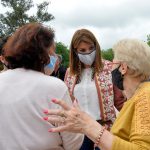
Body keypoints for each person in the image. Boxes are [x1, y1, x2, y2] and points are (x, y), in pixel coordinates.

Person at [44, 39, 150, 150]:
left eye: (113, 63)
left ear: (123, 68)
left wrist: (88, 126)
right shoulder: (138, 96)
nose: (110, 68)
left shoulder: (145, 97)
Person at [0, 23, 83, 150]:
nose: (55, 57)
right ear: (43, 53)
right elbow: (73, 142)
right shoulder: (55, 87)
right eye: (53, 51)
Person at [63, 29, 125, 149]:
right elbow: (69, 102)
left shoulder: (109, 68)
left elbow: (120, 101)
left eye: (91, 48)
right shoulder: (70, 73)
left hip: (105, 129)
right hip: (80, 131)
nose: (88, 53)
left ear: (96, 47)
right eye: (82, 50)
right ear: (75, 52)